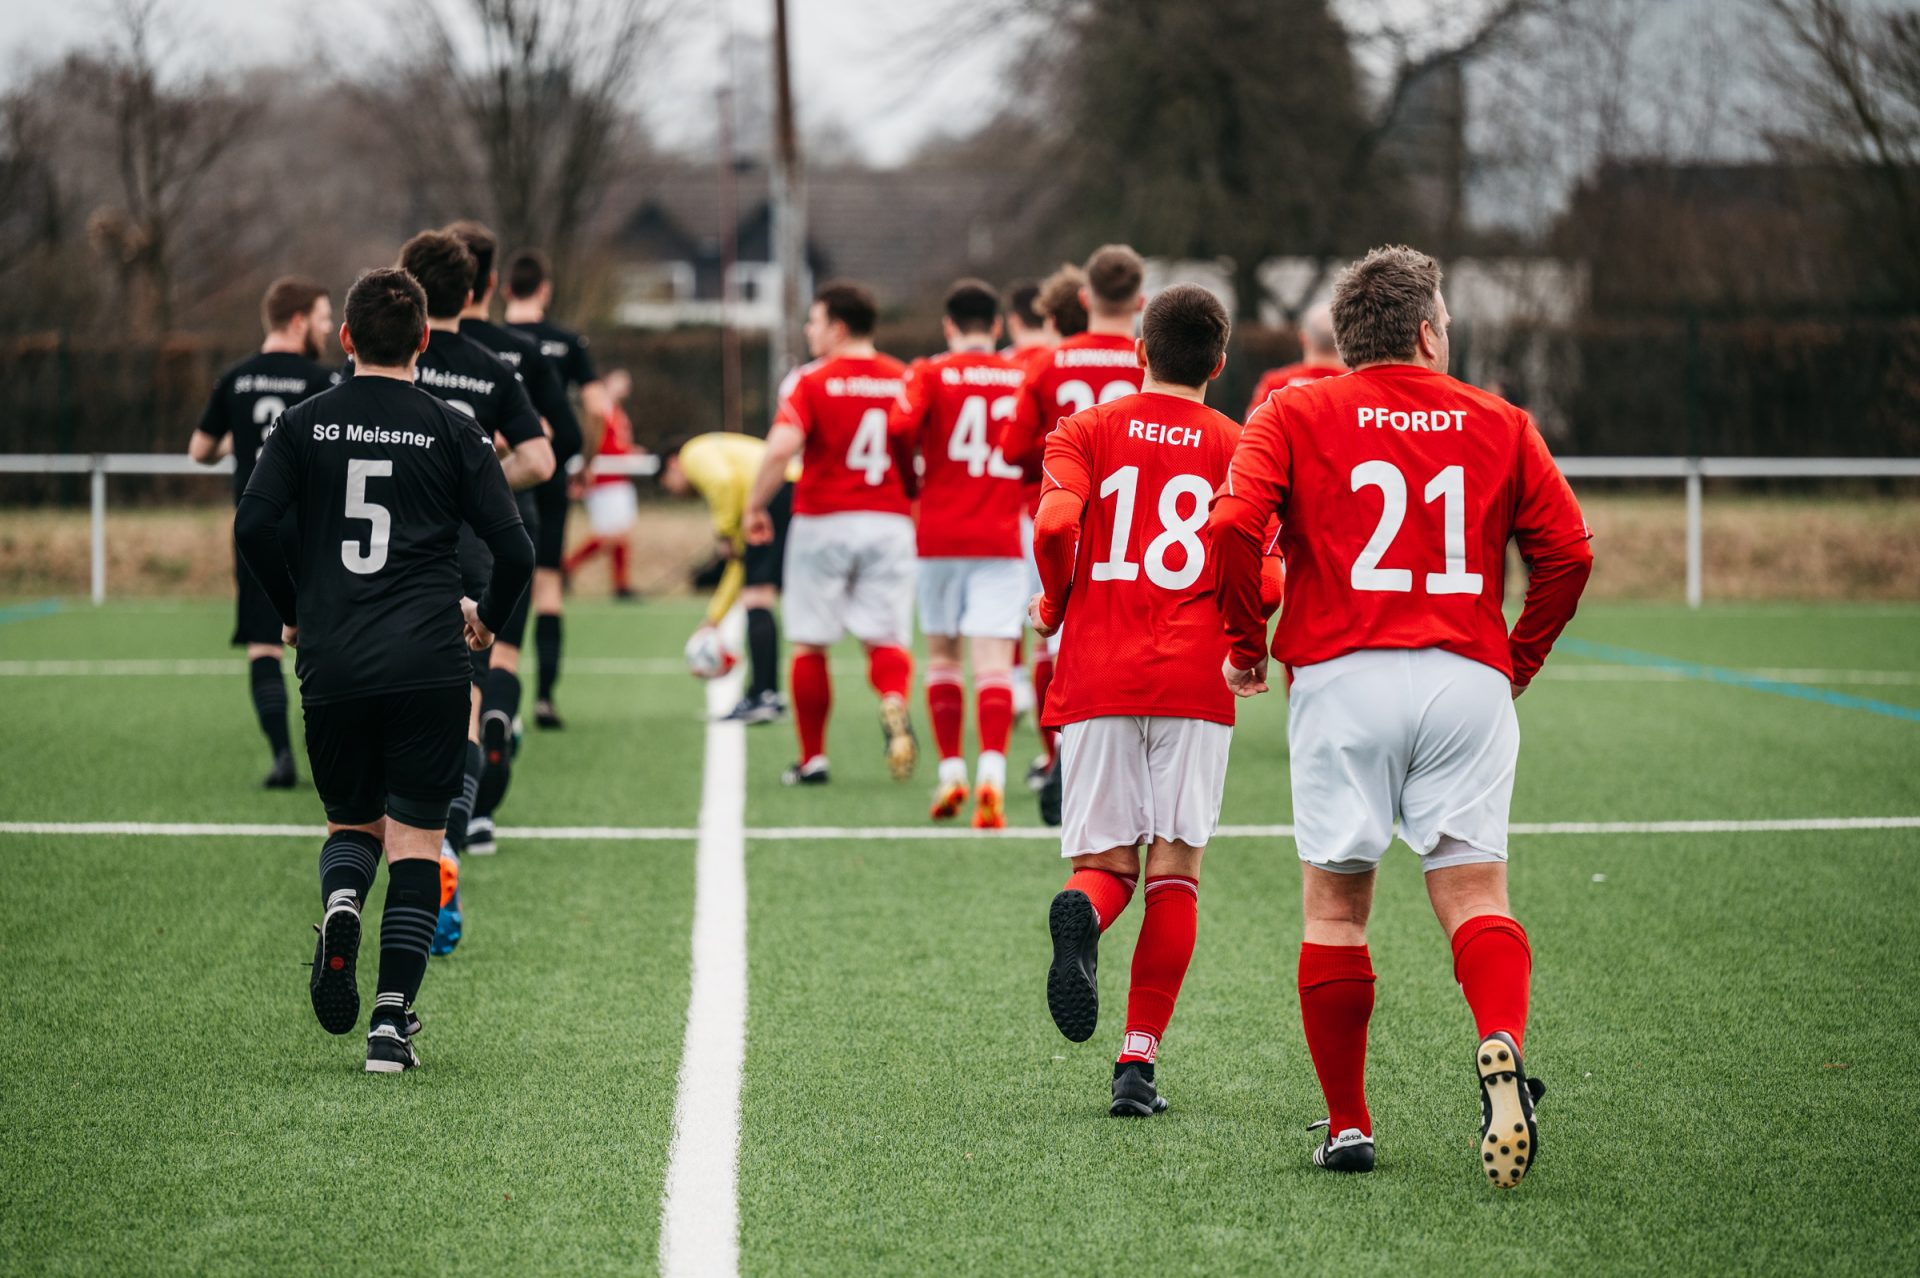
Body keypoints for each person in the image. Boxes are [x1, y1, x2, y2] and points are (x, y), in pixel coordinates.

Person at [1208, 244, 1593, 1185]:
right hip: (1464, 676)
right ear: (1426, 331)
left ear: (1347, 339)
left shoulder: (1293, 409)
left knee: (1337, 906)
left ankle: (1348, 1125)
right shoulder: (1501, 419)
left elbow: (1233, 526)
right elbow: (1569, 553)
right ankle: (1501, 1043)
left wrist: (1246, 643)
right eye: (1446, 322)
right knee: (1475, 894)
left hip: (1342, 677)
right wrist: (1518, 658)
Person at [233, 266, 534, 1073]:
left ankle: (341, 903)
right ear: (424, 341)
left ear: (345, 339)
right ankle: (391, 1026)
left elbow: (252, 525)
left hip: (334, 659)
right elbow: (516, 550)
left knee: (351, 826)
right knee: (417, 841)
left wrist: (293, 609)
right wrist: (486, 620)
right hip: (430, 663)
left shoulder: (302, 424)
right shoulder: (453, 430)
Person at [1028, 284, 1241, 1118]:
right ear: (1218, 364)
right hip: (1193, 678)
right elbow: (1261, 571)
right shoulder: (1238, 444)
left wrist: (1056, 604)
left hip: (1098, 672)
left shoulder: (1085, 428)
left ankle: (1083, 911)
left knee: (1109, 865)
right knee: (1176, 873)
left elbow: (1054, 527)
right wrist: (1249, 643)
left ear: (1140, 352)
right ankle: (1136, 1064)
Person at [384, 229, 552, 945]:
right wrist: (476, 487)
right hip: (470, 554)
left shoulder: (389, 360)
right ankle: (447, 847)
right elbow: (541, 459)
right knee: (466, 701)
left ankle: (378, 857)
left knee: (385, 698)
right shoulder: (492, 367)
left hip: (391, 556)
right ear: (476, 292)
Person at [744, 281, 917, 786]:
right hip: (889, 520)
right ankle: (893, 699)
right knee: (885, 638)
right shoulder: (904, 378)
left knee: (811, 643)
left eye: (814, 321)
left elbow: (781, 448)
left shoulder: (810, 379)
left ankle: (813, 758)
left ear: (838, 328)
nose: (808, 330)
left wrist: (754, 505)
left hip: (824, 519)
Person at [444, 220, 580, 848]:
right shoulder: (512, 354)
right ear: (490, 281)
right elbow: (565, 438)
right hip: (507, 519)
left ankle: (442, 805)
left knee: (439, 672)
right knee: (496, 657)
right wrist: (490, 467)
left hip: (424, 532)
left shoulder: (408, 350)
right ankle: (484, 788)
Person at [1004, 247, 1147, 802]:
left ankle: (1055, 758)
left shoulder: (1049, 361)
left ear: (1084, 298)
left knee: (1052, 639)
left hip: (1056, 514)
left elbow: (1012, 448)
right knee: (1130, 634)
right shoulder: (1148, 360)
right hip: (1136, 520)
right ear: (1140, 301)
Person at [187, 277, 335, 789]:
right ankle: (334, 755)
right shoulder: (324, 380)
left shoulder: (235, 378)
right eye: (322, 319)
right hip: (313, 529)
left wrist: (240, 439)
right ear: (297, 321)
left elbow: (199, 450)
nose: (327, 329)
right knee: (328, 638)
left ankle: (281, 757)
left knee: (264, 645)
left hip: (258, 529)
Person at [889, 279, 1027, 828]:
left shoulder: (929, 371)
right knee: (993, 664)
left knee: (943, 658)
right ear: (996, 326)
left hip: (939, 534)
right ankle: (992, 774)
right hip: (999, 534)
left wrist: (912, 483)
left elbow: (899, 426)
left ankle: (951, 773)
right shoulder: (1020, 374)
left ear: (949, 326)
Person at [505, 248, 610, 729]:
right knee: (547, 583)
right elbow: (598, 407)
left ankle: (492, 693)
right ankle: (545, 699)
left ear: (505, 289)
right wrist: (585, 462)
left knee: (491, 580)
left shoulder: (487, 340)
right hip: (549, 472)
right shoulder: (567, 342)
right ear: (544, 290)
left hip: (497, 472)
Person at [659, 429, 794, 724]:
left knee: (758, 597)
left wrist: (724, 532)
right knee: (758, 592)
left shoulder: (693, 453)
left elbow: (721, 482)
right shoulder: (737, 482)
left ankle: (764, 695)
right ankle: (766, 693)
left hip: (776, 489)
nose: (674, 493)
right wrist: (713, 619)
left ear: (672, 464)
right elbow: (739, 567)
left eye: (667, 484)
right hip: (787, 488)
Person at [564, 369, 640, 599]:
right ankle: (567, 566)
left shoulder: (617, 412)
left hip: (619, 478)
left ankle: (621, 584)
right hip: (604, 481)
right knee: (610, 534)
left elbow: (617, 443)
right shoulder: (601, 408)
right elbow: (595, 441)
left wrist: (631, 453)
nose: (624, 386)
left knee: (621, 534)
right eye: (619, 381)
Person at [1243, 303, 1346, 421]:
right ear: (1342, 339)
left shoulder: (1276, 384)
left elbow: (1251, 425)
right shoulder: (1355, 385)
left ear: (1303, 338)